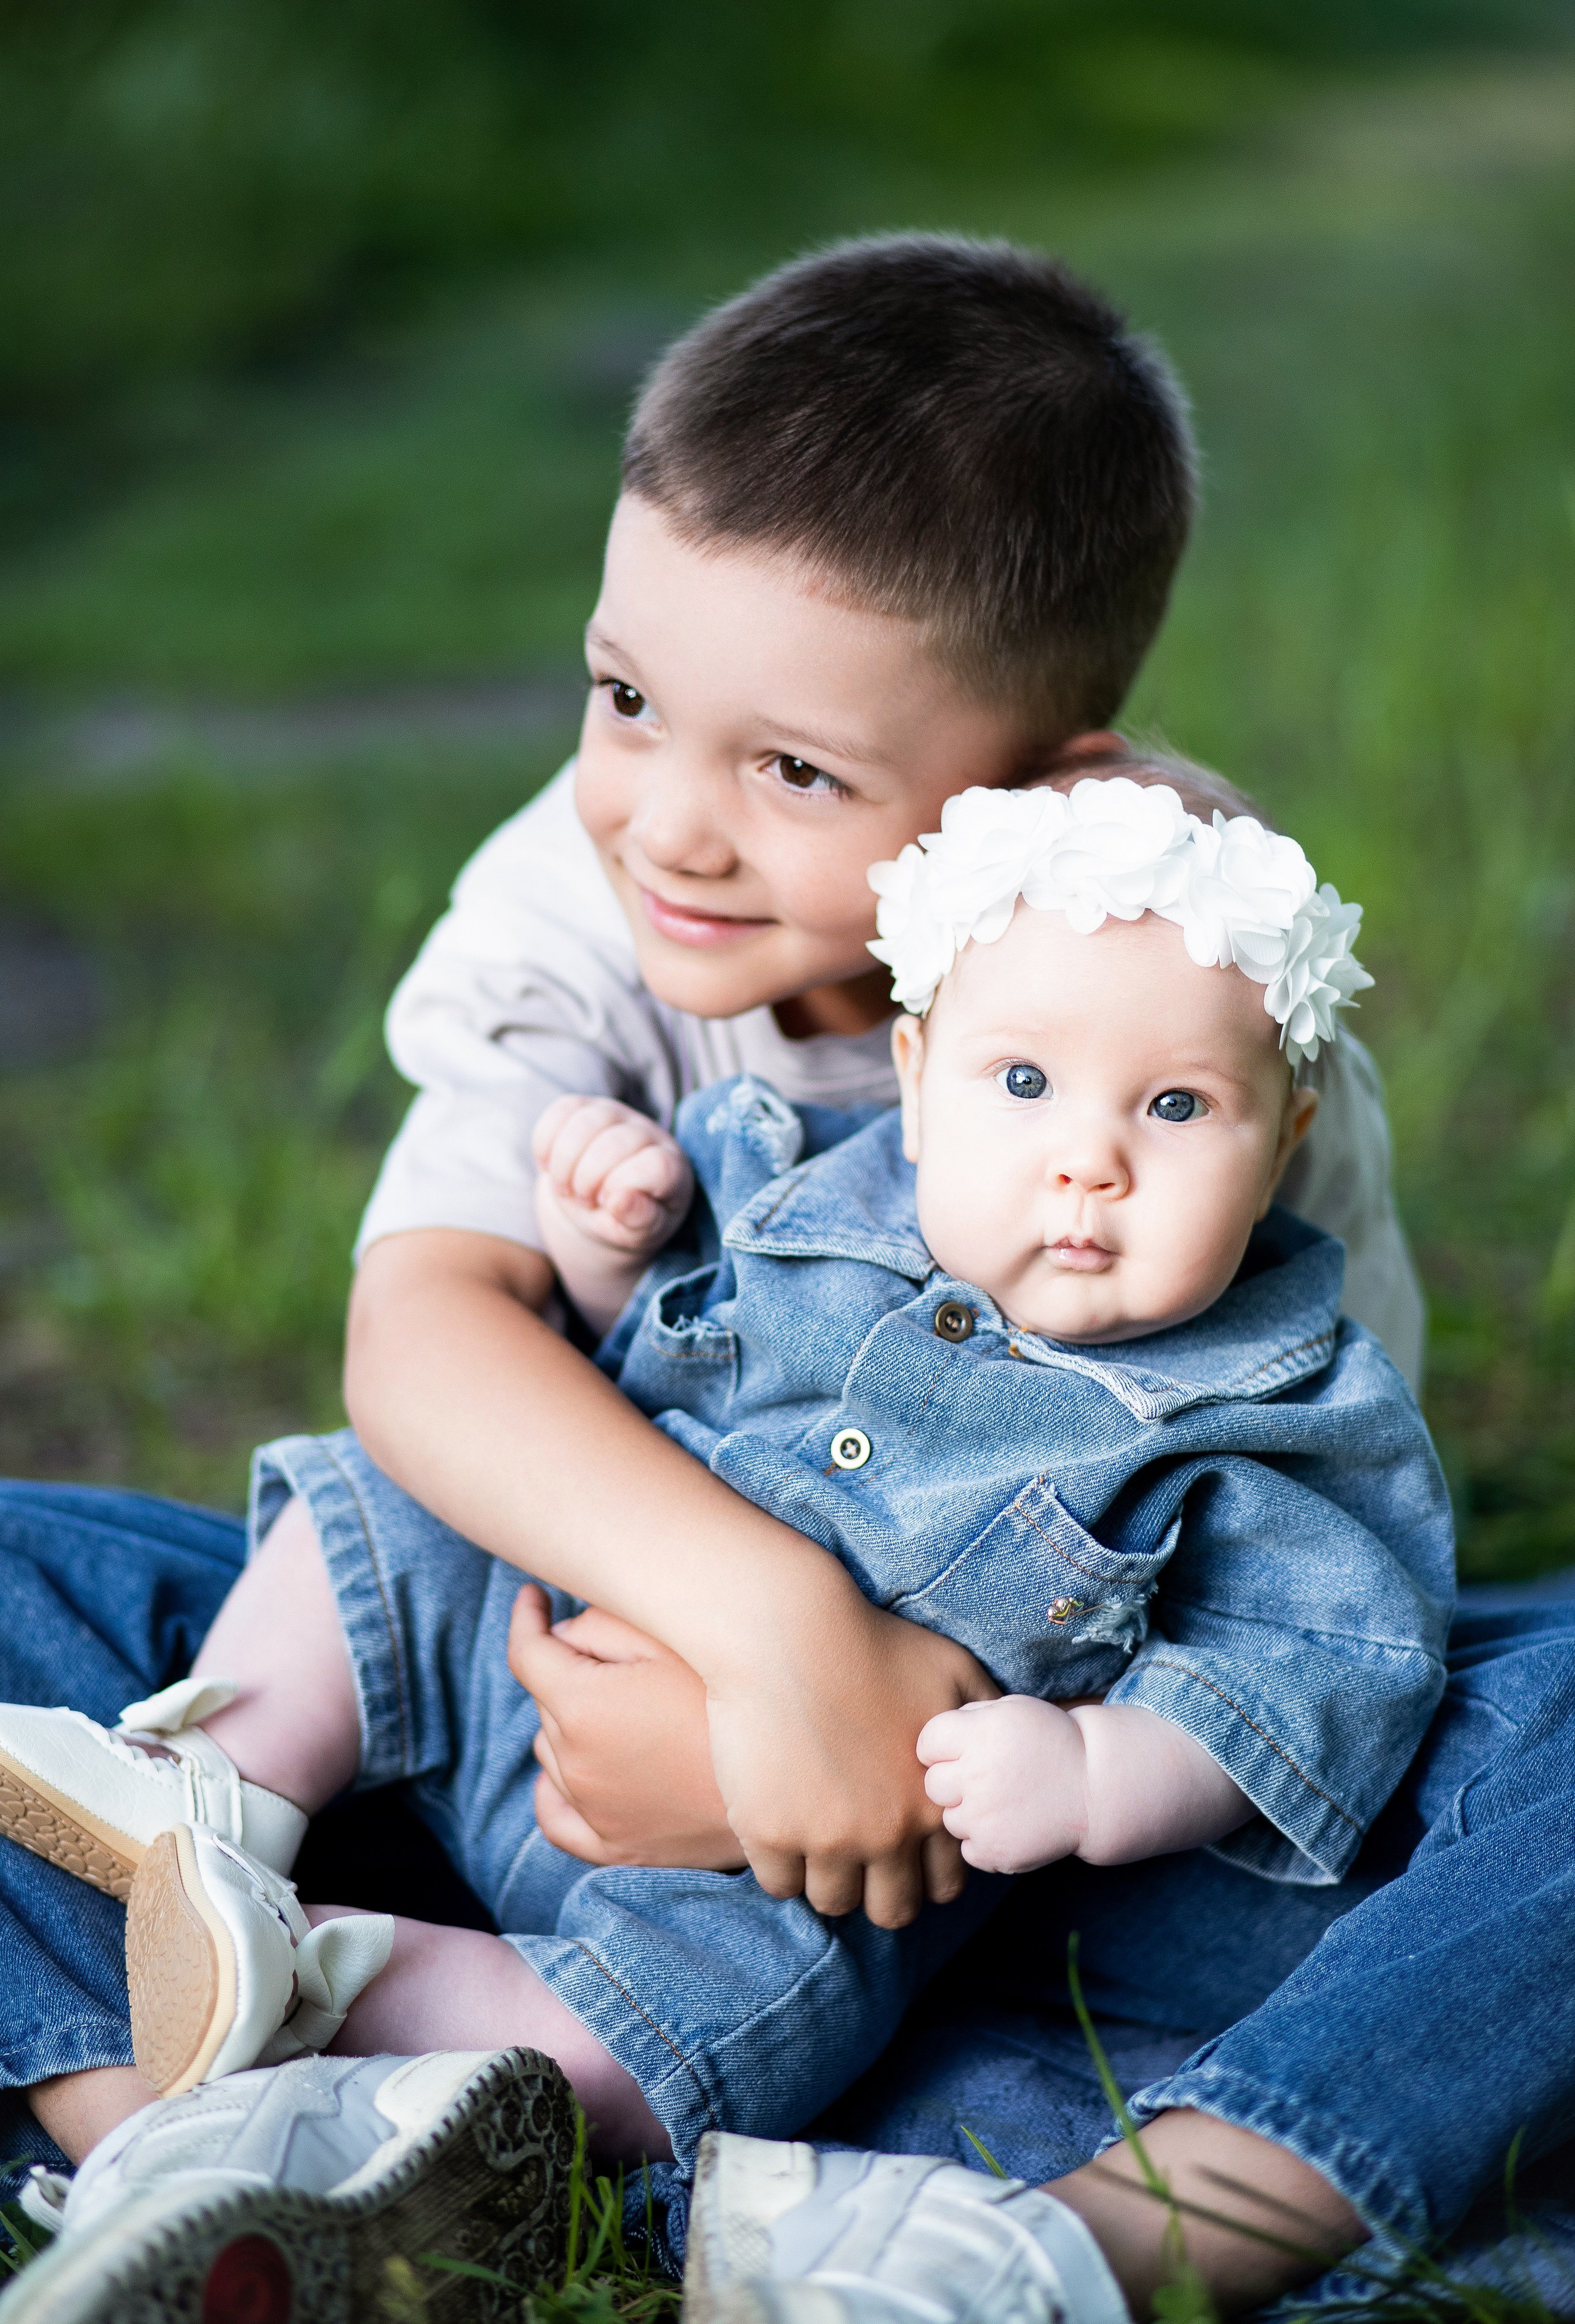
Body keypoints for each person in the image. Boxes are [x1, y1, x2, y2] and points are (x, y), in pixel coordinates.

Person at [0, 233, 1563, 2322]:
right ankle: (190, 2133)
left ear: (1052, 798)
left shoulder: (1195, 1055)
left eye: (795, 772)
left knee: (1539, 1716)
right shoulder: (574, 900)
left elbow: (1290, 1583)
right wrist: (776, 1649)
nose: (671, 826)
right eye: (626, 698)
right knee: (52, 1583)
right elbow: (429, 1344)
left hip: (1025, 1843)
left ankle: (1096, 2238)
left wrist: (878, 1747)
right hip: (506, 1711)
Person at [0, 780, 1456, 2174]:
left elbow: (1315, 1663)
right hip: (533, 1636)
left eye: (1180, 1109)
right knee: (390, 1514)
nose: (1088, 1161)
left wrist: (1092, 1771)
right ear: (914, 1070)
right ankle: (215, 1786)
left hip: (776, 1865)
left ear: (1286, 1139)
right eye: (1020, 1082)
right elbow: (639, 1350)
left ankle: (313, 1991)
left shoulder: (1281, 1414)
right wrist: (608, 1250)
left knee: (693, 2032)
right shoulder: (804, 1184)